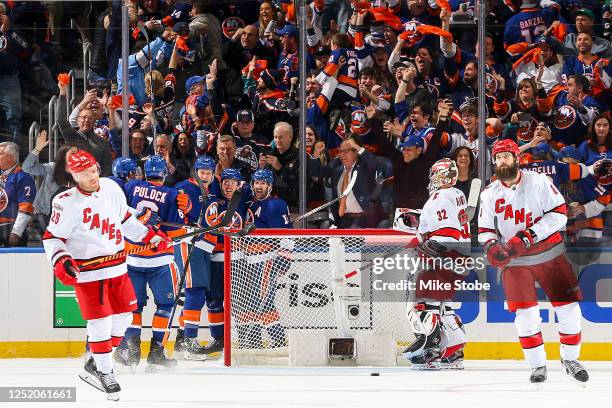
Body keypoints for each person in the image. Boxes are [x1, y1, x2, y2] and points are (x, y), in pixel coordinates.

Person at [42, 151, 170, 400]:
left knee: (124, 316)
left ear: (97, 167)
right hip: (88, 273)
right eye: (82, 174)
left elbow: (125, 221)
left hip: (118, 268)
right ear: (73, 175)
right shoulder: (65, 202)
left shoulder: (111, 187)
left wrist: (150, 237)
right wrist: (61, 259)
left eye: (92, 171)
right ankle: (105, 371)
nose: (90, 177)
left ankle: (97, 361)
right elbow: (53, 237)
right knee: (100, 321)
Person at [478, 139, 588, 385]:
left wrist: (529, 236)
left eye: (507, 156)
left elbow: (560, 214)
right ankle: (538, 365)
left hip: (549, 253)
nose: (502, 160)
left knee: (569, 309)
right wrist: (491, 246)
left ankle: (570, 359)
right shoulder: (489, 193)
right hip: (516, 262)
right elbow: (484, 229)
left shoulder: (538, 181)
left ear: (518, 158)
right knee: (526, 316)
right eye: (498, 157)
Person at [116, 155, 192, 371]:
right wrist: (186, 217)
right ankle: (157, 352)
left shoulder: (130, 187)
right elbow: (175, 232)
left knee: (134, 308)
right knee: (167, 305)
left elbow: (120, 215)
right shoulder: (172, 194)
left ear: (144, 172)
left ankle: (131, 351)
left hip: (132, 259)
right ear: (164, 174)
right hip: (161, 261)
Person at [395, 158, 470, 370]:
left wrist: (425, 247)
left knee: (421, 304)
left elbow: (448, 233)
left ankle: (431, 351)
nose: (433, 179)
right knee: (442, 307)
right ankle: (453, 353)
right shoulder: (457, 194)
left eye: (435, 174)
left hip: (443, 261)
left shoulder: (440, 196)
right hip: (458, 261)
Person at [173, 156, 221, 359]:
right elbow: (176, 212)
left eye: (208, 173)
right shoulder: (184, 187)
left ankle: (181, 340)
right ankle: (187, 341)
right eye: (202, 172)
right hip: (189, 243)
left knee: (198, 292)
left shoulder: (213, 188)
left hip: (204, 246)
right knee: (195, 292)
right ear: (195, 171)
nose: (205, 176)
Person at [202, 168, 253, 354]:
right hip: (215, 259)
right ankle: (218, 339)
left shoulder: (245, 199)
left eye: (233, 181)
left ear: (240, 184)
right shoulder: (214, 200)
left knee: (240, 302)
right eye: (225, 181)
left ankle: (245, 340)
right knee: (214, 301)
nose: (229, 184)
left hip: (238, 259)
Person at [309, 136, 380, 228]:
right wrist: (316, 153)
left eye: (346, 151)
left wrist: (356, 146)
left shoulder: (364, 166)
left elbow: (373, 164)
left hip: (363, 219)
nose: (342, 155)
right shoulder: (336, 165)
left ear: (356, 153)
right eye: (340, 151)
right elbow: (316, 172)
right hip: (342, 220)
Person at [22, 130, 77, 228]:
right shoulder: (52, 168)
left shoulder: (80, 172)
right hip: (46, 213)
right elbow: (27, 168)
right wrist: (37, 148)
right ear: (63, 156)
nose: (76, 156)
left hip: (67, 216)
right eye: (72, 153)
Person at [0, 142, 36, 247]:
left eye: (0, 154)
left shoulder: (23, 177)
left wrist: (16, 232)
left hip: (11, 229)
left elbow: (26, 207)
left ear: (10, 157)